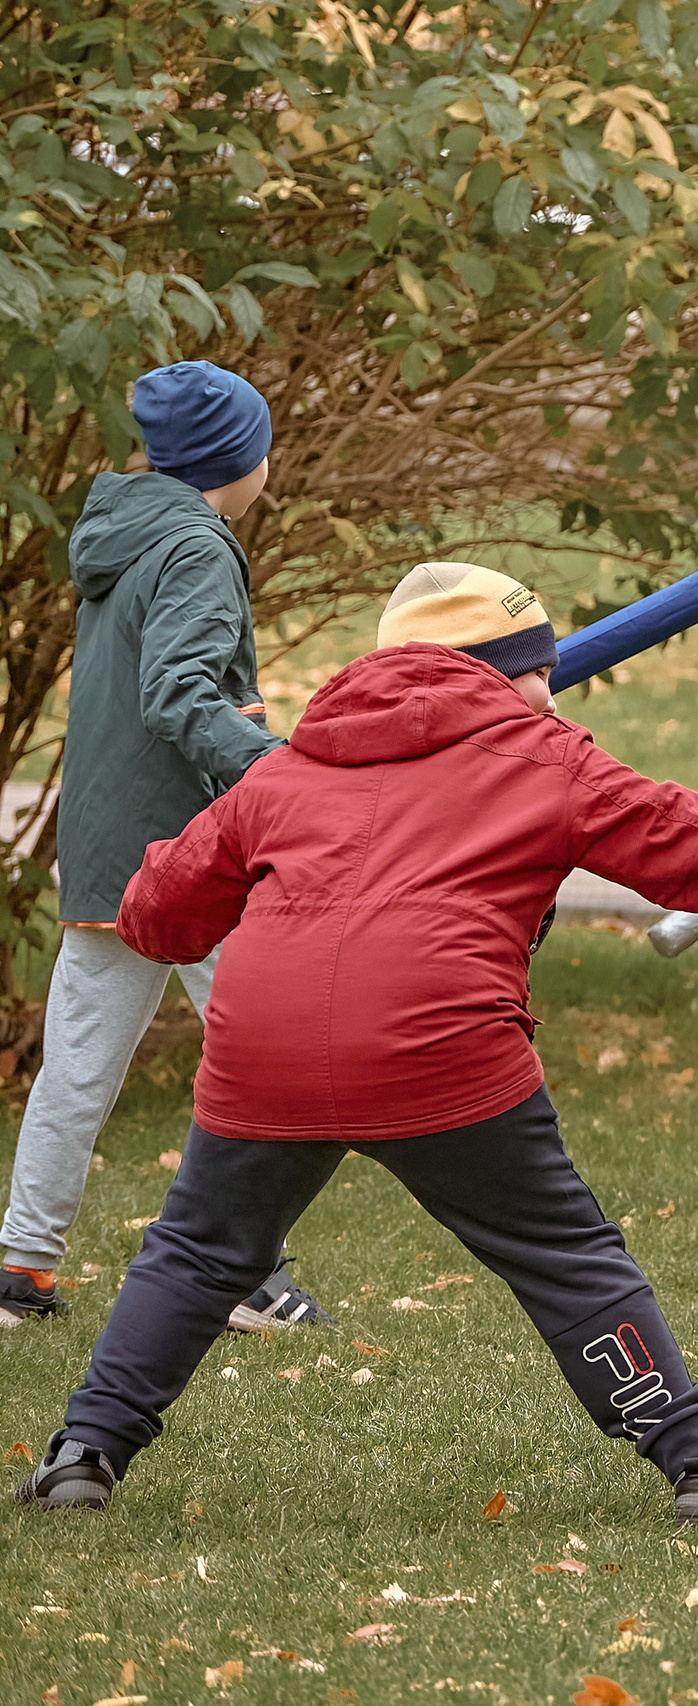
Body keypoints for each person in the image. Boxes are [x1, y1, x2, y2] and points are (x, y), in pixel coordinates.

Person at [9, 563, 698, 1518]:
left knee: (195, 1252)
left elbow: (157, 916)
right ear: (497, 672)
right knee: (563, 1254)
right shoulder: (542, 757)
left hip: (264, 1046)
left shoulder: (285, 770)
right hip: (435, 1044)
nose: (548, 693)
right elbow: (686, 837)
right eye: (537, 671)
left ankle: (81, 1457)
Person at [1, 361, 327, 1332]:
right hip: (195, 855)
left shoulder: (127, 530)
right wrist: (280, 770)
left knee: (75, 1067)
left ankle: (23, 1268)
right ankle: (240, 1272)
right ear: (237, 458)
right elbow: (181, 692)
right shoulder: (195, 542)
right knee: (270, 1063)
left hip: (111, 852)